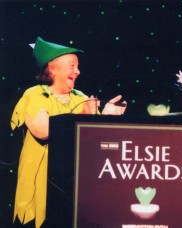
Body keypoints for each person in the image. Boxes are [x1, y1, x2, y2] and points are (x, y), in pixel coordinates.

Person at [10, 37, 127, 227]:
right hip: (43, 180)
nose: (77, 71)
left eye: (78, 66)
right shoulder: (35, 94)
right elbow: (42, 131)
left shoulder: (79, 97)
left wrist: (107, 116)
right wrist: (80, 113)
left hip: (75, 180)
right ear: (51, 69)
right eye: (72, 66)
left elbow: (93, 138)